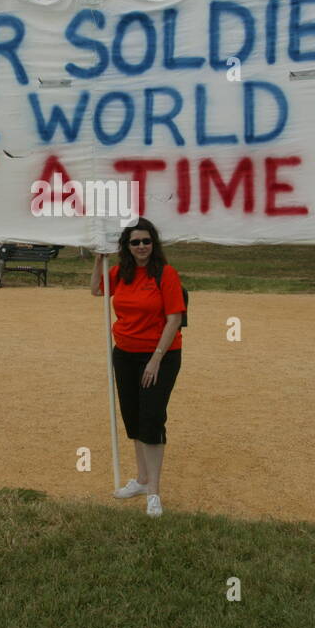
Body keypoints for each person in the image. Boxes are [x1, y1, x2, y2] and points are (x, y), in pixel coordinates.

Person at [90, 218, 186, 518]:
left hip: (159, 356)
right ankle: (142, 481)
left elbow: (174, 318)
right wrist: (99, 257)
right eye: (135, 242)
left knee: (152, 420)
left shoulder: (165, 274)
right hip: (125, 354)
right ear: (126, 246)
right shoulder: (122, 272)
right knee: (132, 418)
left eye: (146, 241)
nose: (141, 247)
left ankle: (154, 492)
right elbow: (97, 290)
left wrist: (156, 359)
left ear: (153, 244)